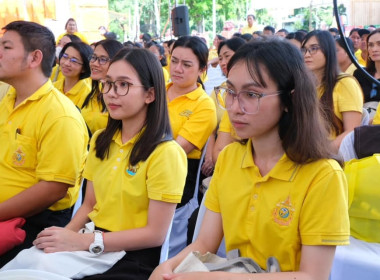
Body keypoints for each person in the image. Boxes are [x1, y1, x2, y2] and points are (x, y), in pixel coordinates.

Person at [149, 38, 350, 280]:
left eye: (252, 94)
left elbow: (312, 276)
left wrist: (217, 278)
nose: (234, 107)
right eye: (231, 92)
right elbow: (204, 243)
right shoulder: (230, 158)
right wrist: (167, 267)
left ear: (290, 99)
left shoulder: (323, 175)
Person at [2, 48, 188, 279]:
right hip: (92, 240)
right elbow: (89, 205)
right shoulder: (102, 139)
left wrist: (82, 240)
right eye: (108, 83)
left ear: (150, 94)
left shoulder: (166, 152)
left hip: (130, 254)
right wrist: (64, 237)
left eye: (123, 85)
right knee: (24, 264)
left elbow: (155, 234)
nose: (111, 93)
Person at [0, 20, 88, 266]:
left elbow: (53, 188)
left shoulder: (59, 115)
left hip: (32, 223)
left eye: (6, 47)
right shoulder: (9, 99)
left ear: (34, 58)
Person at [166, 36, 217, 257]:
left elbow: (177, 151)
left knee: (169, 242)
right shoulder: (157, 91)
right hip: (138, 169)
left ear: (202, 69)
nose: (177, 69)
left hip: (176, 175)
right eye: (174, 60)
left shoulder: (203, 105)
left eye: (187, 65)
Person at [302, 30, 363, 153]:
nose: (307, 54)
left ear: (329, 51)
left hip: (332, 157)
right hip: (307, 151)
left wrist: (323, 152)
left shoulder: (345, 83)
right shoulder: (307, 85)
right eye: (304, 50)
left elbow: (352, 130)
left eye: (314, 49)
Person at [81, 39, 123, 135]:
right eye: (94, 57)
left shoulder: (121, 96)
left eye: (103, 59)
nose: (95, 63)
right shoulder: (95, 92)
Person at [53, 42, 93, 108]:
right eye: (65, 57)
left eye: (74, 60)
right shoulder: (54, 86)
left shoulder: (87, 94)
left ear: (84, 68)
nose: (66, 63)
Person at [353, 28, 380, 117]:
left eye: (379, 44)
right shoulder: (360, 74)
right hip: (362, 124)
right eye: (371, 45)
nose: (374, 49)